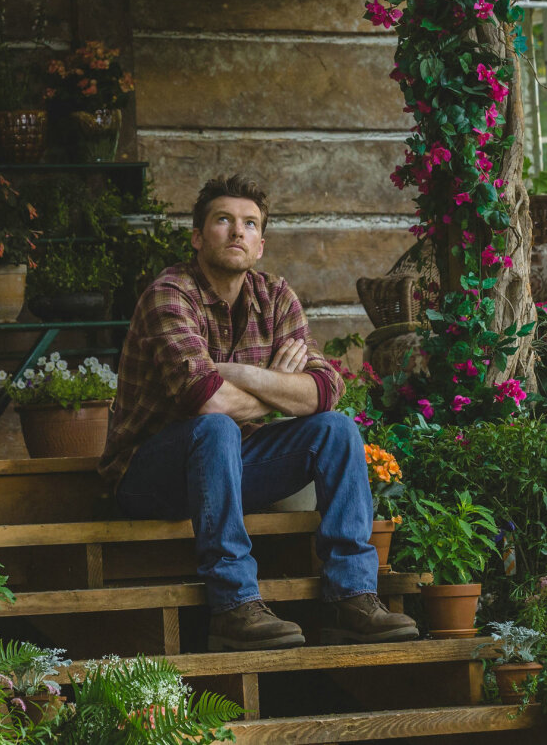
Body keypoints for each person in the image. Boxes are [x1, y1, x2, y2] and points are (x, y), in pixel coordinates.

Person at [99, 174, 418, 651]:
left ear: (261, 244)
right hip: (148, 476)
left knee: (335, 430)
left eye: (250, 224)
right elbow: (205, 398)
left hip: (228, 467)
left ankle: (352, 597)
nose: (237, 231)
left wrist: (243, 374)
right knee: (215, 427)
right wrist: (278, 385)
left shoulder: (276, 296)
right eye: (223, 220)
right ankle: (234, 606)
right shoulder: (170, 294)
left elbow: (324, 390)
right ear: (197, 236)